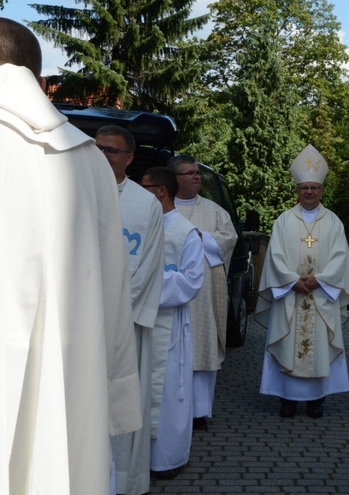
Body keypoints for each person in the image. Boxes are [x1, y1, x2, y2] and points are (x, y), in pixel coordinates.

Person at [0, 17, 140, 494]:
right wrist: (116, 387)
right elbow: (113, 288)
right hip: (68, 378)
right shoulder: (87, 157)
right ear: (35, 73)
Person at [255, 145, 349, 419]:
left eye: (314, 187)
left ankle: (316, 401)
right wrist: (291, 281)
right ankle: (286, 400)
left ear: (321, 190)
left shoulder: (334, 222)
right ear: (297, 190)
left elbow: (340, 257)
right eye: (304, 188)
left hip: (320, 296)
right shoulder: (283, 221)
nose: (309, 192)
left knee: (320, 346)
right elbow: (274, 255)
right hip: (291, 295)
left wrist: (318, 281)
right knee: (287, 342)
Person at [96, 124, 165, 495]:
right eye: (99, 148)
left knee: (122, 404)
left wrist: (114, 313)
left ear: (130, 158)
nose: (103, 156)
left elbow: (150, 264)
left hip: (126, 323)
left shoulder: (145, 204)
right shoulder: (72, 190)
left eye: (111, 151)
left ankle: (122, 480)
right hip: (79, 323)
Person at [141, 167, 205, 480]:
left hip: (169, 325)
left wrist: (147, 283)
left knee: (167, 393)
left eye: (146, 187)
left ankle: (167, 459)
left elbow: (192, 280)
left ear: (161, 191)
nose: (141, 192)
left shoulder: (185, 231)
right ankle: (137, 457)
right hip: (138, 321)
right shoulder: (139, 223)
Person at [170, 154, 238, 431]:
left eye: (197, 173)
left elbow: (230, 238)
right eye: (189, 173)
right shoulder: (162, 207)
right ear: (174, 178)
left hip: (205, 293)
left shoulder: (214, 211)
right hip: (172, 290)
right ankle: (171, 410)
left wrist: (203, 238)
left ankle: (199, 412)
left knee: (202, 346)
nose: (196, 177)